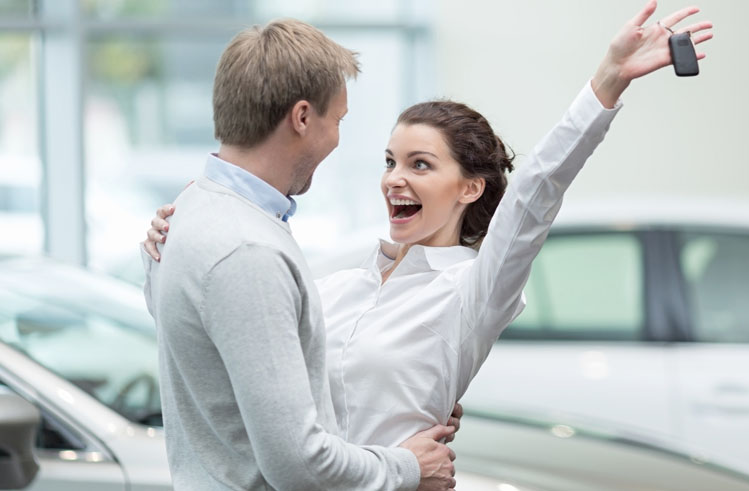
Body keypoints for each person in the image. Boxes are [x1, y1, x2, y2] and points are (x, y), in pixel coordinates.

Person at [144, 0, 712, 463]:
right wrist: (166, 256)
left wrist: (607, 82)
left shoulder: (470, 291)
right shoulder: (337, 283)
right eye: (390, 161)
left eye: (420, 165)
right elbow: (240, 351)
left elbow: (538, 189)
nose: (395, 179)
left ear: (470, 188)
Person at [141, 19, 456, 491]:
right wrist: (408, 466)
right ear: (303, 117)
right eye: (338, 121)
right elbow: (299, 464)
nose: (337, 138)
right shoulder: (246, 250)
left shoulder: (188, 211)